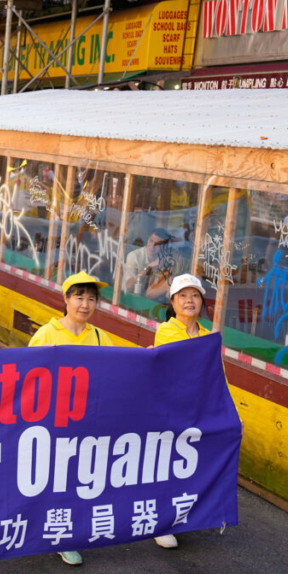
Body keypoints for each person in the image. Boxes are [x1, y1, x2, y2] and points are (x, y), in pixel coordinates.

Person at [28, 271, 114, 567]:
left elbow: (121, 370)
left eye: (91, 298)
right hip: (53, 423)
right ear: (65, 299)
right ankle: (56, 534)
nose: (85, 304)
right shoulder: (47, 334)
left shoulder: (101, 337)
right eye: (79, 297)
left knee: (78, 479)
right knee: (53, 478)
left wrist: (151, 357)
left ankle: (65, 532)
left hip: (88, 422)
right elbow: (25, 378)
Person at [146, 273, 211, 549]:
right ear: (172, 303)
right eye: (183, 296)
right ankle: (160, 524)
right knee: (166, 465)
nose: (189, 300)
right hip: (169, 410)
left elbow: (216, 377)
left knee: (188, 466)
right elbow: (184, 364)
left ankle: (178, 516)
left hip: (197, 411)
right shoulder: (167, 331)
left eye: (195, 295)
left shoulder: (207, 336)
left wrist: (230, 412)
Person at [123, 228, 184, 301]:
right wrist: (148, 267)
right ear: (148, 239)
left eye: (158, 244)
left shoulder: (166, 259)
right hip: (130, 299)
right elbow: (128, 286)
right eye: (151, 241)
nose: (152, 246)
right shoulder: (134, 256)